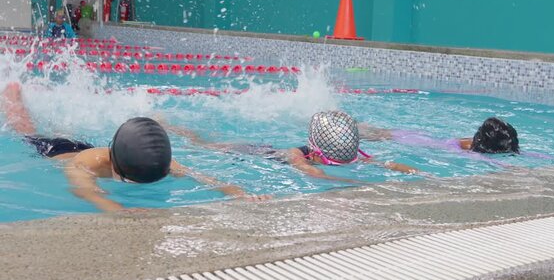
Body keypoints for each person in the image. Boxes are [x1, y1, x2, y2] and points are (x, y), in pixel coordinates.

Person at [1, 82, 268, 212]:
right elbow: (86, 192)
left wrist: (235, 192)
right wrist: (120, 211)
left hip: (90, 145)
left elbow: (201, 177)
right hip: (55, 151)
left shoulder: (156, 161)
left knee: (64, 130)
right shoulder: (85, 165)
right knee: (26, 130)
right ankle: (12, 94)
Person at [162, 111, 421, 183]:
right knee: (204, 144)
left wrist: (418, 174)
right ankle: (172, 127)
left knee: (208, 140)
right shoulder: (297, 155)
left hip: (267, 148)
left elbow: (387, 165)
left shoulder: (352, 157)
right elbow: (314, 174)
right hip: (254, 151)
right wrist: (363, 185)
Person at [359, 117, 520, 155]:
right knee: (377, 135)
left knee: (379, 132)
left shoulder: (475, 144)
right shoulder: (474, 153)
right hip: (413, 140)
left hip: (422, 137)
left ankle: (356, 126)